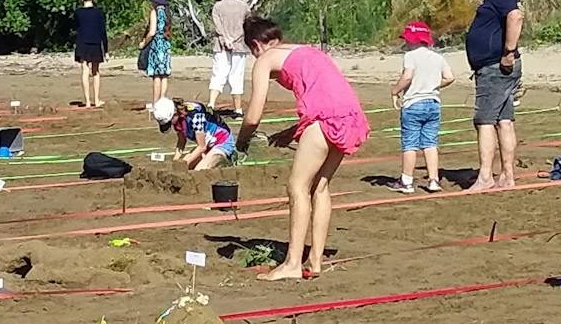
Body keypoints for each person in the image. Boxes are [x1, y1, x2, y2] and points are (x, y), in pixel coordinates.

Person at [238, 16, 370, 281]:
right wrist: (291, 131)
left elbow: (253, 116)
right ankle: (316, 260)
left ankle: (292, 263)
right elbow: (324, 91)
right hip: (350, 115)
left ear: (256, 45)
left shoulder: (265, 59)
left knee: (297, 187)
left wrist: (240, 141)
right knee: (320, 187)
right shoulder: (307, 50)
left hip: (323, 119)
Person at [465, 0, 522, 191]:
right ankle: (507, 176)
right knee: (504, 120)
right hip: (496, 66)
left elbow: (515, 16)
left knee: (485, 121)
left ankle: (486, 176)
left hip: (494, 67)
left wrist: (508, 52)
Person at [392, 20, 454, 193]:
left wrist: (395, 90)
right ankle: (433, 180)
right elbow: (450, 77)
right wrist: (433, 85)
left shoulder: (410, 56)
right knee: (430, 143)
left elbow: (408, 76)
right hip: (433, 104)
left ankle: (407, 181)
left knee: (410, 144)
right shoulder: (437, 57)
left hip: (413, 104)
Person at [151, 96, 237, 170]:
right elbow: (181, 141)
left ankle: (227, 159)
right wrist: (175, 162)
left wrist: (182, 164)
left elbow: (201, 147)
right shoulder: (176, 119)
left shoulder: (195, 115)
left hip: (221, 142)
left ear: (174, 114)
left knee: (199, 170)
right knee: (187, 168)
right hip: (207, 144)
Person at [208, 0, 251, 114]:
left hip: (221, 45)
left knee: (218, 74)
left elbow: (218, 26)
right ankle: (238, 109)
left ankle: (211, 103)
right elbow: (247, 24)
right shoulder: (243, 6)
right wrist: (234, 38)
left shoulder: (217, 7)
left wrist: (226, 38)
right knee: (236, 76)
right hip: (239, 44)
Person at [73, 0, 108, 109]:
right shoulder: (99, 13)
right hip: (95, 43)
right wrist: (106, 50)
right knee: (96, 72)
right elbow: (103, 32)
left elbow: (76, 28)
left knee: (85, 71)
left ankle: (87, 101)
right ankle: (96, 100)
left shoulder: (78, 13)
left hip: (82, 43)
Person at [139, 0, 173, 106]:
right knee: (164, 75)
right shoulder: (168, 12)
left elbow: (152, 32)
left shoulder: (155, 12)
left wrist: (144, 43)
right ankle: (162, 101)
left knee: (156, 76)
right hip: (166, 44)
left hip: (157, 45)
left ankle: (155, 103)